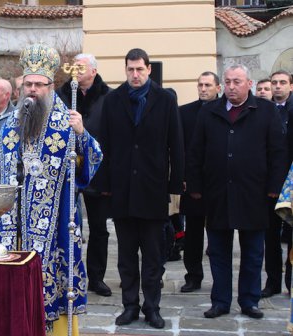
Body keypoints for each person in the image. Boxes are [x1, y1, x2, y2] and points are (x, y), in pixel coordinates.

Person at [0, 42, 103, 334]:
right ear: (20, 87)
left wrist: (83, 135)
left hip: (56, 224)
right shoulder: (8, 126)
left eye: (40, 84)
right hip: (12, 227)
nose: (33, 90)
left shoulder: (68, 123)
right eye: (29, 84)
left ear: (51, 87)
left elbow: (93, 159)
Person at [187, 64, 287, 319]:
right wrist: (196, 186)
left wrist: (275, 187)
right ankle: (221, 301)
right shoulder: (210, 111)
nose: (231, 87)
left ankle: (249, 300)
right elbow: (196, 151)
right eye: (228, 82)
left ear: (249, 84)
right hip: (217, 193)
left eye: (237, 82)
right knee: (218, 251)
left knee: (253, 252)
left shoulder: (265, 111)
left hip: (254, 193)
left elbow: (277, 152)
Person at [99, 48, 184, 329]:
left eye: (140, 69)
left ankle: (152, 307)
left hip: (152, 189)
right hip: (122, 190)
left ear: (149, 69)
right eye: (130, 70)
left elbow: (176, 144)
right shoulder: (113, 101)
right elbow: (105, 147)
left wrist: (175, 185)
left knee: (153, 256)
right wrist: (105, 186)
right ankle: (130, 306)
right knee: (126, 255)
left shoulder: (165, 100)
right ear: (125, 70)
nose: (135, 75)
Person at [56, 53, 113, 297]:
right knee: (67, 225)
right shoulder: (61, 94)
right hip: (66, 169)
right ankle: (66, 273)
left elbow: (113, 139)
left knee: (99, 228)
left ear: (93, 71)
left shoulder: (109, 97)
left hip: (98, 170)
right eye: (74, 67)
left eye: (81, 67)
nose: (76, 71)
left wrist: (109, 176)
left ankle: (96, 278)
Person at [179, 71, 221, 293]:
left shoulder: (225, 111)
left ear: (217, 88)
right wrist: (183, 178)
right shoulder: (185, 113)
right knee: (193, 234)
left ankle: (220, 278)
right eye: (200, 85)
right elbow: (180, 149)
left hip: (219, 183)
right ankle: (193, 276)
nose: (203, 89)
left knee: (218, 234)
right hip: (192, 183)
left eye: (208, 85)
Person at [262, 70, 293, 298]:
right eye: (274, 83)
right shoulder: (264, 111)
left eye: (283, 83)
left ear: (290, 86)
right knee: (270, 237)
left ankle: (290, 282)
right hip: (269, 184)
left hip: (291, 183)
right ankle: (272, 282)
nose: (278, 86)